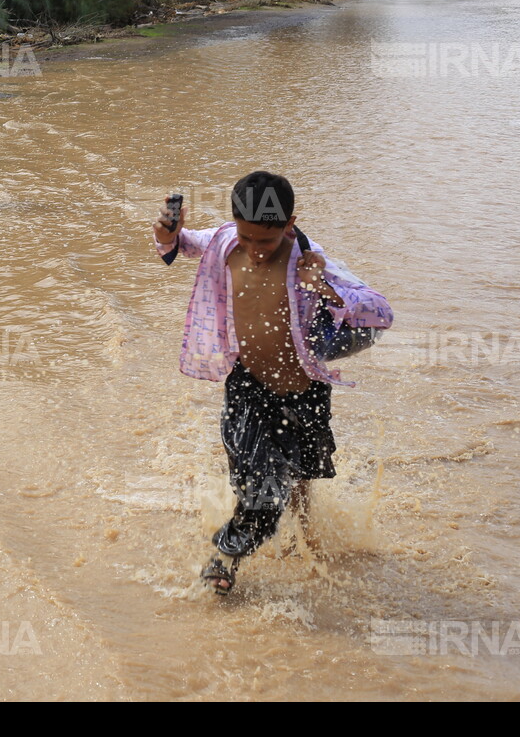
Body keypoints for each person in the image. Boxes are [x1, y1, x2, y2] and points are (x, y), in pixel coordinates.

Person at [150, 172, 393, 595]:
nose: (255, 250)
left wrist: (325, 289)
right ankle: (226, 559)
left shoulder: (309, 259)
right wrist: (168, 232)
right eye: (248, 238)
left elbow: (379, 312)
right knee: (260, 485)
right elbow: (181, 247)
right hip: (249, 385)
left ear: (290, 223)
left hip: (306, 387)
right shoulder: (227, 242)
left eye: (266, 241)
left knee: (302, 473)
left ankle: (306, 539)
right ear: (235, 225)